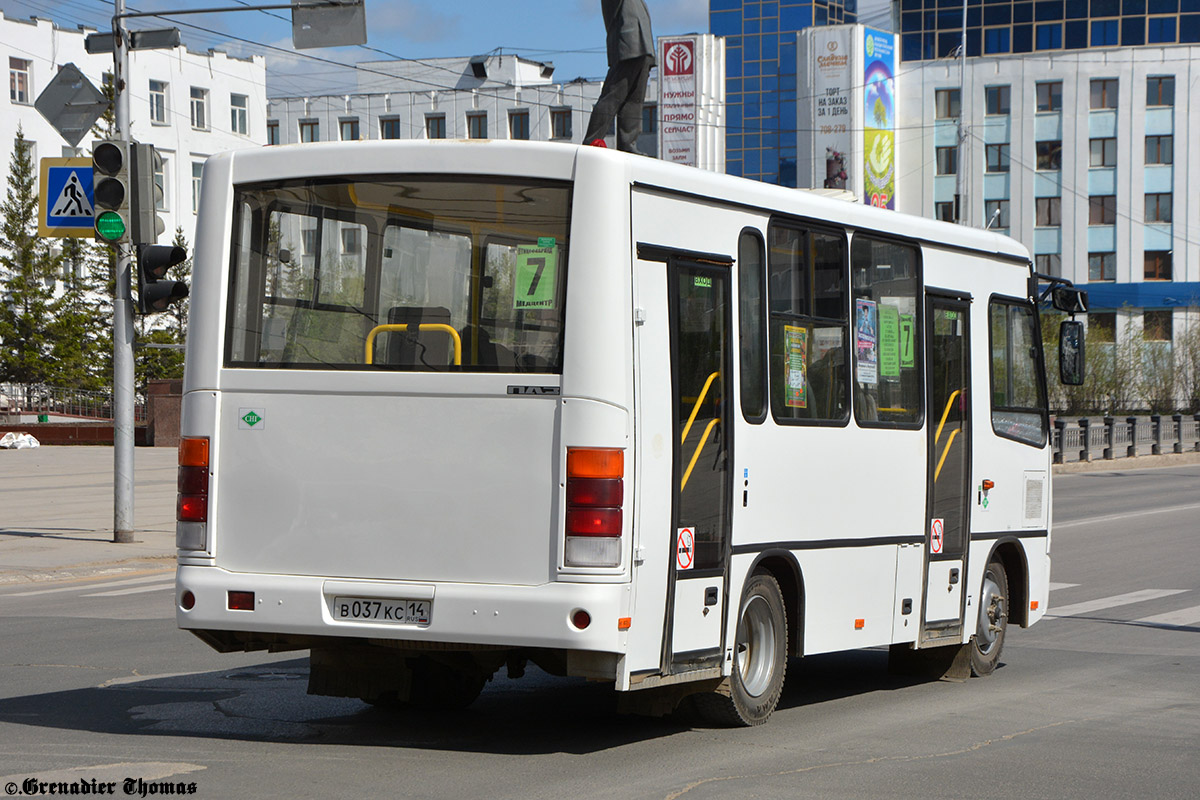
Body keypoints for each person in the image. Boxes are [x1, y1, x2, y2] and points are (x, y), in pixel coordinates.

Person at [583, 0, 655, 154]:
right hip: (628, 41)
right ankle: (591, 141)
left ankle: (628, 144)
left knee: (634, 100)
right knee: (613, 96)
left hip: (644, 44)